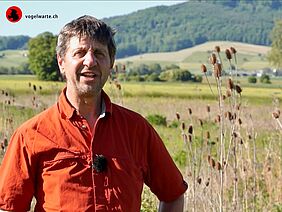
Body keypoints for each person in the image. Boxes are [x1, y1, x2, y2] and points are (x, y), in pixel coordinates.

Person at [0, 15, 187, 211]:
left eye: (99, 53)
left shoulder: (137, 129)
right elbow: (9, 207)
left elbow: (173, 194)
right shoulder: (31, 135)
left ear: (111, 62)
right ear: (61, 62)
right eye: (79, 52)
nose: (90, 61)